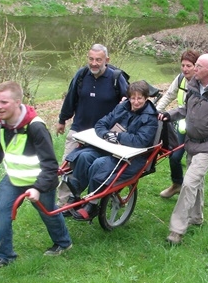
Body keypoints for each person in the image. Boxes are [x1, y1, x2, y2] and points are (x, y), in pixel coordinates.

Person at [0, 81, 72, 270]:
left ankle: (63, 243)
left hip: (40, 182)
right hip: (13, 179)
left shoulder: (36, 127)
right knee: (1, 213)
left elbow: (50, 164)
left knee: (47, 213)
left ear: (17, 102)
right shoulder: (0, 122)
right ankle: (5, 256)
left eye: (4, 102)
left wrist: (37, 188)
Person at [160, 54, 208, 244]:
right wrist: (168, 115)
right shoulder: (194, 86)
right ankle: (197, 217)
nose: (194, 69)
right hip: (192, 142)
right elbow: (185, 110)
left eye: (198, 66)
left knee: (189, 182)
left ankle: (176, 230)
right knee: (196, 181)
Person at [66, 81, 159, 221]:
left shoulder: (150, 118)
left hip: (131, 158)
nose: (136, 101)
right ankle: (75, 196)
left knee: (99, 164)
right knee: (84, 156)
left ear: (146, 98)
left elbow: (141, 141)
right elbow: (101, 124)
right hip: (110, 148)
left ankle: (92, 204)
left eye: (140, 98)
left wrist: (118, 136)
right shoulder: (122, 107)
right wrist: (106, 134)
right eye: (132, 98)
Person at [55, 44, 128, 209]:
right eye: (91, 59)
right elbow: (70, 98)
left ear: (106, 60)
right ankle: (64, 203)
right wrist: (62, 120)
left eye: (98, 60)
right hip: (79, 129)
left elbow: (128, 105)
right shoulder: (81, 75)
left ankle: (101, 197)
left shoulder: (116, 78)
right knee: (67, 164)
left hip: (103, 133)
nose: (94, 63)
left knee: (102, 165)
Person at [155, 50, 200, 198]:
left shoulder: (202, 83)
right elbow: (169, 95)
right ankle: (177, 184)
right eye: (183, 65)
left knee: (193, 163)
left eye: (189, 65)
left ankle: (191, 193)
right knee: (174, 157)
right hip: (183, 127)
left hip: (199, 130)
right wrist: (155, 112)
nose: (185, 69)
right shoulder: (181, 79)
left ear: (196, 66)